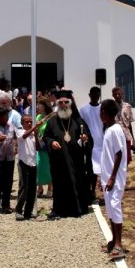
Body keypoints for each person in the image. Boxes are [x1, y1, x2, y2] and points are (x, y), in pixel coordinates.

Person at [43, 89, 92, 219]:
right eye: (61, 102)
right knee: (60, 184)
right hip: (59, 160)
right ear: (58, 104)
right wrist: (52, 142)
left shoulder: (78, 120)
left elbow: (88, 138)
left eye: (66, 102)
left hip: (76, 160)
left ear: (70, 104)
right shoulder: (52, 121)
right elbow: (46, 137)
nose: (63, 104)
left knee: (77, 181)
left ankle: (78, 209)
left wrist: (85, 139)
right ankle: (60, 210)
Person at [98, 98, 128, 261]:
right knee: (110, 208)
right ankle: (112, 240)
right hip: (107, 177)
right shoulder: (109, 130)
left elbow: (119, 154)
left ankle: (119, 244)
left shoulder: (115, 130)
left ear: (104, 112)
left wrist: (112, 177)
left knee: (115, 206)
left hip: (114, 178)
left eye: (101, 111)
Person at [80, 87, 104, 204]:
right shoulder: (84, 109)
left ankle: (97, 191)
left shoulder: (102, 108)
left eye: (97, 95)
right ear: (89, 95)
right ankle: (90, 192)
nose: (95, 97)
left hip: (101, 142)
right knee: (90, 170)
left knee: (100, 170)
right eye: (93, 95)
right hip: (89, 144)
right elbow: (81, 126)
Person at [15, 114, 41, 220]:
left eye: (31, 121)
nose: (29, 123)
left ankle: (28, 212)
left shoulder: (33, 134)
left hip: (33, 163)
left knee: (32, 189)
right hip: (23, 162)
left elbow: (38, 147)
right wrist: (34, 128)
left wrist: (36, 135)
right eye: (27, 122)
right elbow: (24, 136)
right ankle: (18, 210)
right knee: (24, 187)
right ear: (22, 123)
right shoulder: (20, 131)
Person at [35, 99, 56, 198]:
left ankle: (50, 188)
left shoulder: (52, 116)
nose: (37, 107)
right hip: (39, 145)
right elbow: (36, 128)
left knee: (49, 166)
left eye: (39, 105)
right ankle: (40, 187)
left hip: (48, 145)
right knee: (38, 165)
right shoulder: (38, 117)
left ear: (44, 106)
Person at [112, 87, 135, 164]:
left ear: (122, 94)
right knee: (115, 159)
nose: (117, 96)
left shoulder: (127, 106)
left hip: (126, 136)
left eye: (119, 94)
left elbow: (129, 125)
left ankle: (123, 175)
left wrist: (133, 140)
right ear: (112, 95)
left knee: (126, 159)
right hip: (115, 136)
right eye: (115, 94)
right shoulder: (110, 106)